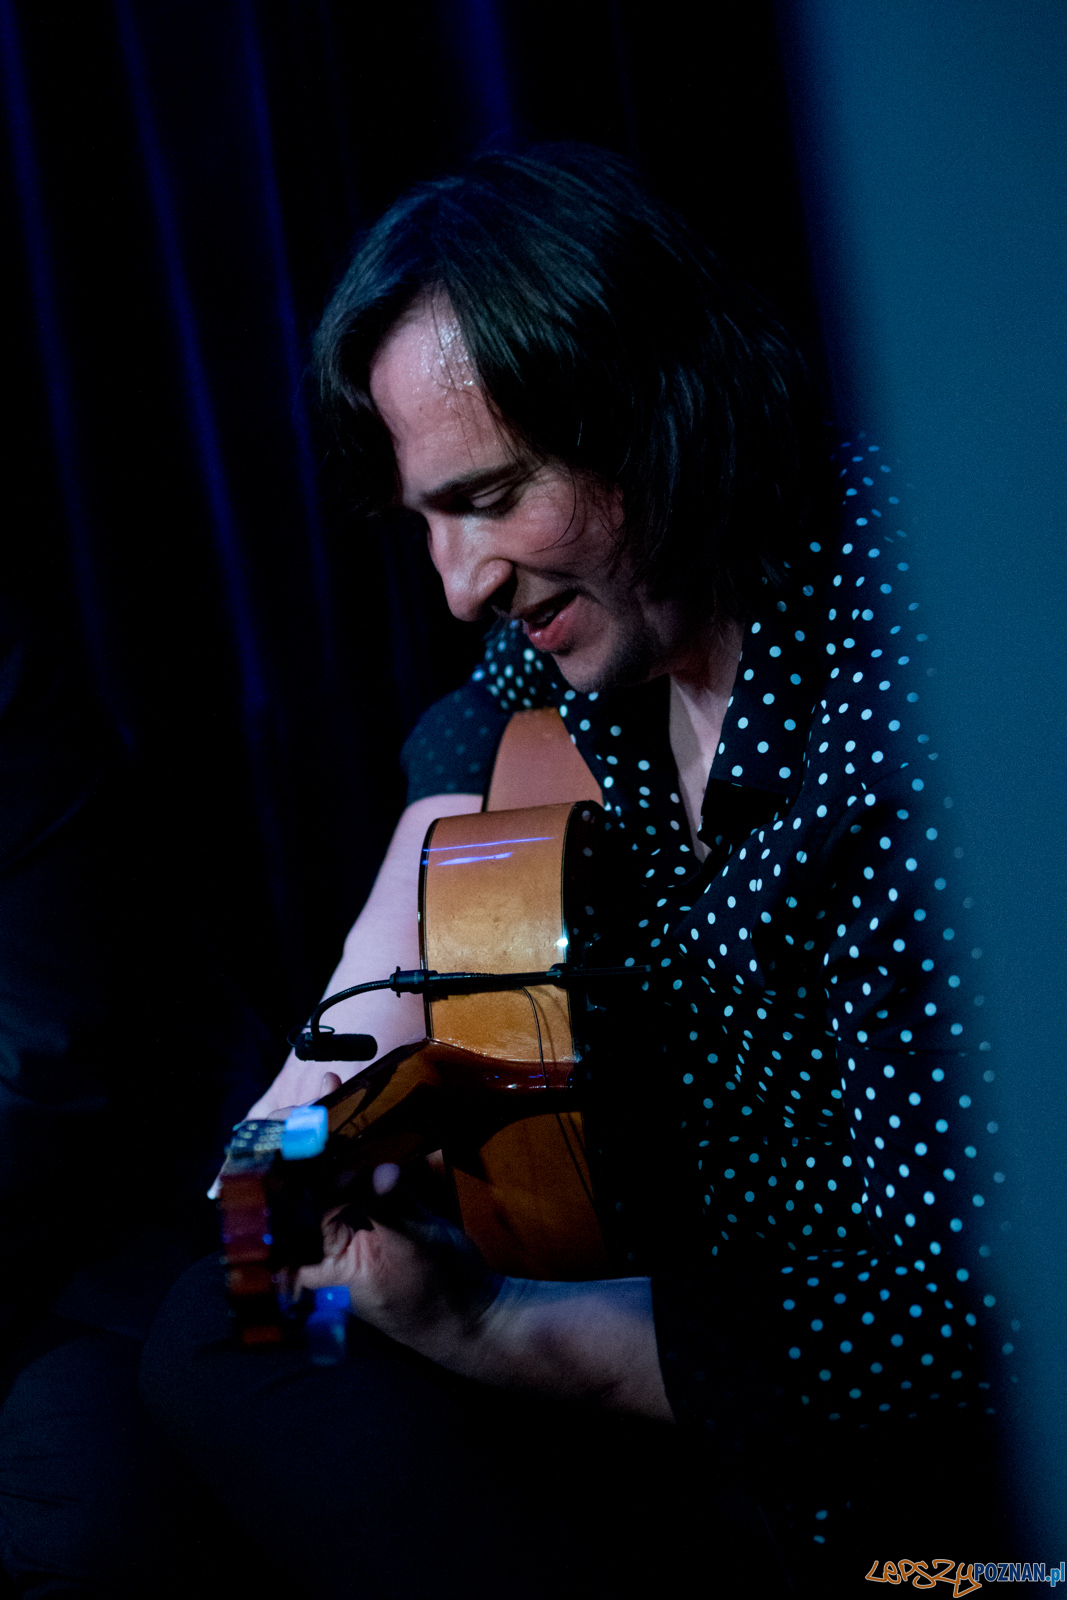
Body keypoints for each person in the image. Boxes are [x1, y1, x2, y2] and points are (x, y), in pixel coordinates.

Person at [141, 145, 1017, 1595]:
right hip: (688, 1385)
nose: (460, 578)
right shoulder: (601, 637)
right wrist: (299, 1120)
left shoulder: (918, 677)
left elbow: (953, 1338)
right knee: (219, 1332)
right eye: (426, 517)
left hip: (925, 1508)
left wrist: (498, 1330)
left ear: (651, 412)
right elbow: (457, 773)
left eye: (490, 498)